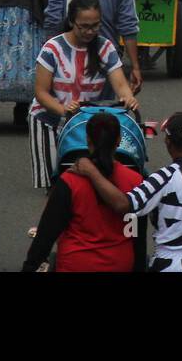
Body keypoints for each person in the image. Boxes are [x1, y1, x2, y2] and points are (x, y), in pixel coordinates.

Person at [75, 110, 182, 272]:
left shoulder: (164, 177)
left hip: (172, 264)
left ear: (168, 142)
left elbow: (123, 205)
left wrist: (92, 172)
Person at [28, 0, 139, 191]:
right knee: (56, 187)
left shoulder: (105, 47)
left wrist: (128, 99)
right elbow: (41, 93)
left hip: (88, 126)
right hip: (50, 121)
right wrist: (64, 110)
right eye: (84, 26)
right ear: (71, 22)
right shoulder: (52, 49)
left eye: (95, 26)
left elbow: (121, 85)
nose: (90, 31)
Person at [23, 110, 144, 272]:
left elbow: (46, 235)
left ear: (87, 139)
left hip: (75, 264)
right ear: (118, 141)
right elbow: (138, 237)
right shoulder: (135, 180)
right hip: (120, 264)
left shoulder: (70, 180)